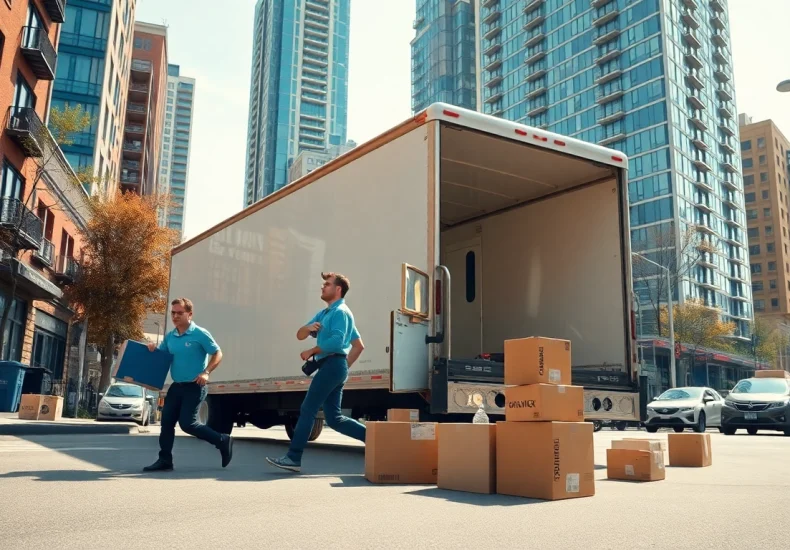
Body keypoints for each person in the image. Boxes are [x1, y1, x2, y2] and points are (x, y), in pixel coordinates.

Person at [266, 272, 366, 473]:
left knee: (308, 409)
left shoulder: (341, 313)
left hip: (332, 365)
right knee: (335, 419)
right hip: (334, 366)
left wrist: (314, 351)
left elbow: (338, 343)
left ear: (338, 289)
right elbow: (301, 334)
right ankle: (379, 440)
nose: (323, 287)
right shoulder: (325, 313)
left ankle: (293, 458)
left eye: (327, 284)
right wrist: (308, 327)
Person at [143, 298, 233, 472]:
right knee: (167, 422)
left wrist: (206, 372)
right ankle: (165, 460)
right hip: (177, 386)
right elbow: (161, 357)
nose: (175, 316)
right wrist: (153, 349)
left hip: (195, 385)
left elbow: (217, 353)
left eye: (179, 313)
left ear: (189, 314)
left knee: (187, 424)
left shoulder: (200, 334)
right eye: (173, 313)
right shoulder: (170, 336)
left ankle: (222, 440)